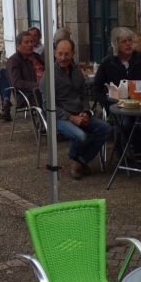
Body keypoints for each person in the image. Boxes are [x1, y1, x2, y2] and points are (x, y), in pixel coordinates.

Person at [52, 37, 112, 180]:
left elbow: (84, 96)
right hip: (59, 117)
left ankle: (80, 160)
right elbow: (48, 105)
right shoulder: (49, 75)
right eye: (60, 54)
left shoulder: (77, 72)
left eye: (67, 54)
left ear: (73, 54)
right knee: (81, 136)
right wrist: (71, 118)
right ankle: (74, 159)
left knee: (106, 129)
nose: (63, 58)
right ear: (54, 53)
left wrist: (86, 112)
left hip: (78, 113)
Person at [91, 26, 141, 108]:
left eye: (130, 40)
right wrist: (108, 104)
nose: (128, 44)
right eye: (124, 41)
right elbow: (96, 89)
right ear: (116, 44)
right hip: (116, 107)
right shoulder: (107, 63)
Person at [5, 29, 45, 112]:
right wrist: (39, 85)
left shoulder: (37, 57)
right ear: (18, 45)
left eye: (31, 42)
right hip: (28, 95)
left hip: (44, 89)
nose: (30, 45)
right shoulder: (14, 61)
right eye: (26, 42)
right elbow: (17, 82)